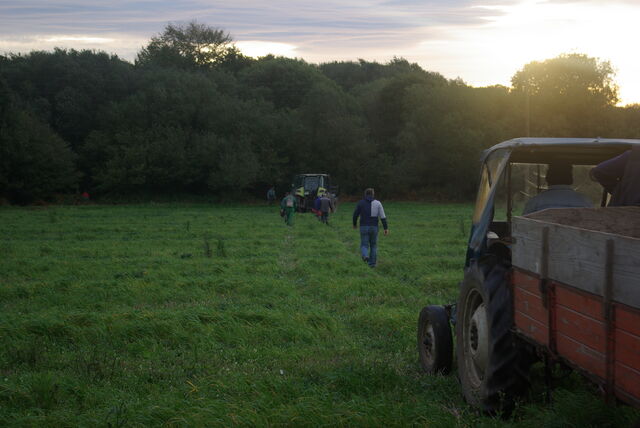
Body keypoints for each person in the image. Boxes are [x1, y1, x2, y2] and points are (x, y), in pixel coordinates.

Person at [523, 162, 592, 215]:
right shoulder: (585, 202)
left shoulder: (535, 202)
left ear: (548, 178)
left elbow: (523, 227)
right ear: (571, 178)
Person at [353, 188, 389, 267]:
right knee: (373, 245)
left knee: (364, 244)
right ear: (373, 194)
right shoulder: (378, 203)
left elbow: (355, 214)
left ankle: (365, 256)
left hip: (364, 227)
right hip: (374, 227)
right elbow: (383, 217)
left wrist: (354, 224)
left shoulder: (361, 203)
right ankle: (372, 264)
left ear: (365, 194)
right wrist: (385, 228)